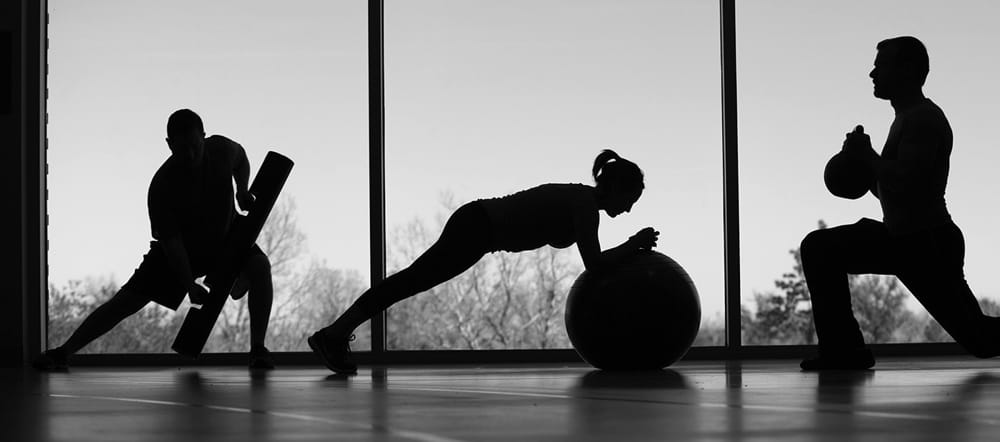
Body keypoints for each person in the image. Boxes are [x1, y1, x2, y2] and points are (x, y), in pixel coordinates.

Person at [308, 149, 659, 374]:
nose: (629, 209)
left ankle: (334, 334)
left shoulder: (582, 201)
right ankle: (333, 334)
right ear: (616, 188)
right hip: (478, 227)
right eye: (630, 199)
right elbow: (595, 264)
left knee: (409, 281)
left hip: (478, 226)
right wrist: (633, 245)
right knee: (407, 282)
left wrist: (629, 247)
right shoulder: (584, 206)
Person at [799, 36, 1000, 370]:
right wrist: (863, 165)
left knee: (981, 339)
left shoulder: (923, 119)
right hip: (904, 239)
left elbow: (910, 185)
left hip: (927, 244)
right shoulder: (906, 117)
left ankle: (845, 352)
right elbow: (894, 192)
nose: (872, 73)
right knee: (820, 248)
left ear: (906, 70)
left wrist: (868, 157)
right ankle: (844, 352)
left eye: (881, 65)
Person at [33, 109, 276, 370]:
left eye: (194, 146)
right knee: (126, 302)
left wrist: (242, 189)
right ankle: (63, 352)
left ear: (204, 137)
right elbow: (173, 245)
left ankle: (258, 350)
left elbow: (241, 159)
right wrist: (188, 284)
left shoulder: (221, 149)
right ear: (169, 145)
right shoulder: (162, 186)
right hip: (182, 251)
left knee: (260, 266)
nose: (190, 155)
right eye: (181, 149)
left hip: (226, 235)